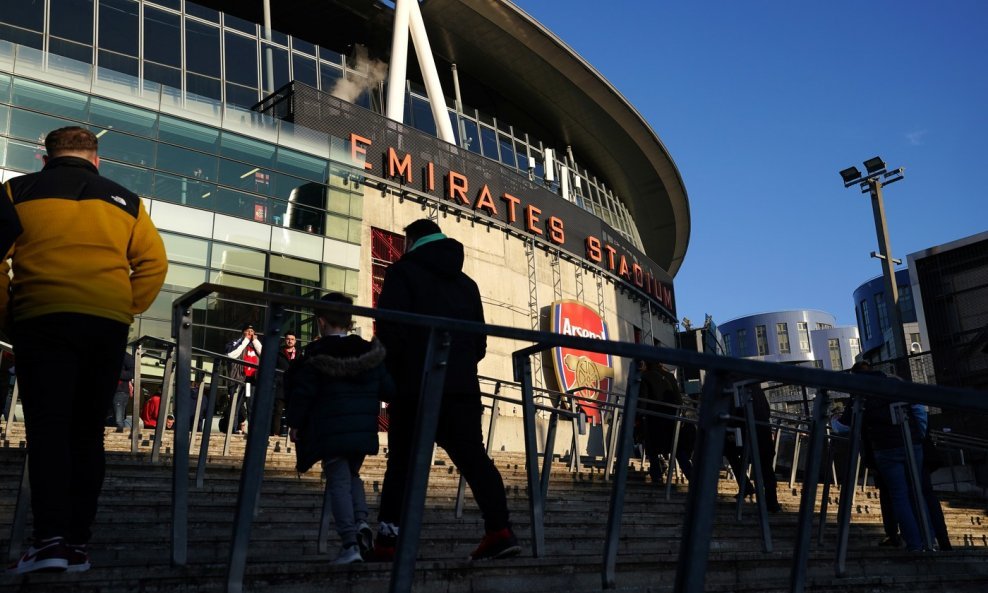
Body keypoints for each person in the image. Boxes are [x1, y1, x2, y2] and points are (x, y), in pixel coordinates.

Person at [1, 126, 167, 574]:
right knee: (87, 433)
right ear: (97, 160)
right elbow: (154, 264)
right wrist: (122, 307)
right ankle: (77, 542)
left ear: (45, 157)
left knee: (49, 429)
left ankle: (49, 540)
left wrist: (6, 314)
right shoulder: (127, 200)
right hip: (104, 326)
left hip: (43, 319)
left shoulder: (16, 191)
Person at [374, 219, 520, 561]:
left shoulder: (402, 272)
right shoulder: (467, 284)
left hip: (414, 387)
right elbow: (479, 342)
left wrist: (391, 377)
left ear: (411, 241)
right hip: (461, 388)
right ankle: (499, 530)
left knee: (402, 466)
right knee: (474, 460)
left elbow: (390, 333)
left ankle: (388, 541)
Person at [285, 293, 394, 564]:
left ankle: (349, 543)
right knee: (353, 477)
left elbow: (303, 393)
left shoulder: (316, 355)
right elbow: (389, 389)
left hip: (330, 431)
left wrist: (295, 423)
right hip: (362, 430)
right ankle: (360, 524)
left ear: (322, 322)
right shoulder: (370, 352)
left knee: (338, 481)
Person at [723, 381, 781, 512]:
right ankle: (772, 502)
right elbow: (766, 410)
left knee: (730, 451)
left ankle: (746, 486)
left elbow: (736, 409)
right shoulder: (755, 385)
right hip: (763, 431)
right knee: (766, 468)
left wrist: (730, 428)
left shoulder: (737, 384)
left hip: (746, 432)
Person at [637, 360, 694, 485]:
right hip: (672, 421)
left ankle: (657, 477)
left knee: (653, 451)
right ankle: (693, 478)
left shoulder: (645, 377)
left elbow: (642, 401)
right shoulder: (669, 376)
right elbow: (679, 400)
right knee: (678, 451)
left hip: (654, 421)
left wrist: (638, 416)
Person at [222, 324, 262, 434]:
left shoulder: (255, 345)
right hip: (238, 380)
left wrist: (255, 342)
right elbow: (231, 355)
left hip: (250, 381)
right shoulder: (235, 343)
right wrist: (244, 341)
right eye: (248, 331)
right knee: (235, 405)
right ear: (243, 332)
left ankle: (253, 431)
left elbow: (265, 355)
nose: (250, 333)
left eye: (252, 331)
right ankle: (233, 429)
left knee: (251, 405)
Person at [271, 332, 298, 437]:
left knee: (292, 411)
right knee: (278, 410)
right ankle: (275, 433)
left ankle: (290, 433)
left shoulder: (300, 354)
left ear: (295, 341)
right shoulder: (279, 352)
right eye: (288, 339)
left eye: (292, 339)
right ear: (285, 340)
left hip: (294, 386)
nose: (290, 341)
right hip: (280, 386)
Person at [111, 352, 135, 433]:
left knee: (118, 420)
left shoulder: (126, 357)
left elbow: (131, 373)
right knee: (115, 418)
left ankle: (120, 436)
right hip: (118, 391)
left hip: (120, 392)